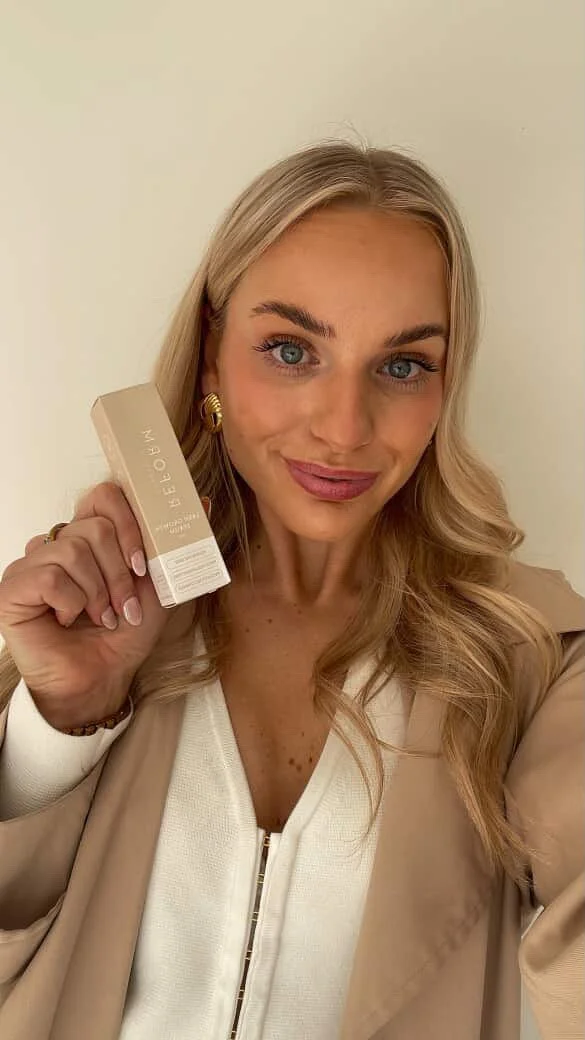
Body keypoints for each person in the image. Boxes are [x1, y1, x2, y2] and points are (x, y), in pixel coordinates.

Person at [0, 142, 583, 1040]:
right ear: (210, 361)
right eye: (289, 349)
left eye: (400, 365)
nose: (345, 427)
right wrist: (60, 722)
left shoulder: (528, 652)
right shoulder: (97, 616)